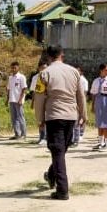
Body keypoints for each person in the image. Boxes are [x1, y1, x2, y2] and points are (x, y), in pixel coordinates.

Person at [41, 45, 87, 200]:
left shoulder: (44, 73)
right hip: (70, 116)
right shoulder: (74, 71)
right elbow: (81, 95)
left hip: (54, 116)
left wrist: (39, 119)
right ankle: (52, 175)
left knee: (58, 151)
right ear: (62, 55)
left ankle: (62, 190)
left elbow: (40, 98)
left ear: (48, 56)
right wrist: (83, 114)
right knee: (61, 150)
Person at [90, 63, 107, 152]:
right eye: (106, 70)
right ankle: (101, 142)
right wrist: (93, 105)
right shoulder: (96, 81)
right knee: (99, 123)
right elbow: (93, 94)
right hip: (98, 101)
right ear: (101, 70)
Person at [6, 61, 27, 141]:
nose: (13, 69)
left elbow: (24, 89)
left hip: (18, 100)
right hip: (12, 100)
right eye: (12, 68)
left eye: (15, 67)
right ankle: (17, 134)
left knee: (21, 117)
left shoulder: (22, 77)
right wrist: (7, 99)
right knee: (14, 118)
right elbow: (8, 89)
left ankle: (23, 134)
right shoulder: (10, 78)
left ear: (18, 68)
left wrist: (21, 99)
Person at [30, 60, 47, 145]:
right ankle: (41, 137)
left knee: (47, 118)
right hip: (38, 98)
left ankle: (47, 137)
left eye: (45, 68)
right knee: (40, 119)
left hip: (47, 99)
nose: (44, 70)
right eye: (42, 68)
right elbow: (34, 91)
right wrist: (32, 102)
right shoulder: (35, 77)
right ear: (38, 68)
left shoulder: (49, 76)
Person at [71, 65, 89, 146]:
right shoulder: (73, 79)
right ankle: (73, 138)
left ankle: (78, 136)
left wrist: (81, 103)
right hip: (73, 101)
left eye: (78, 70)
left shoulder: (83, 80)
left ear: (81, 72)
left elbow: (84, 94)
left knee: (80, 119)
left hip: (80, 100)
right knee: (73, 120)